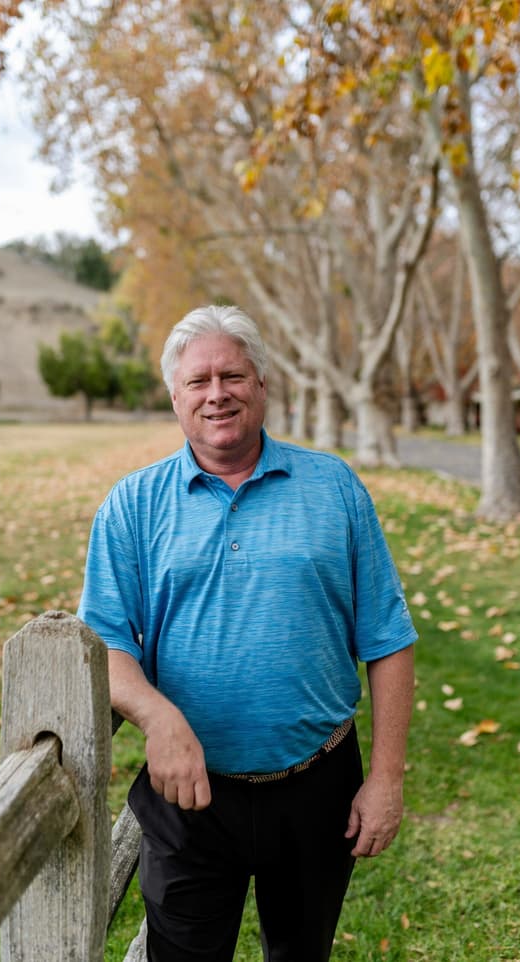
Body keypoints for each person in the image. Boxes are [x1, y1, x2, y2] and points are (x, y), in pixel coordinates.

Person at [77, 305, 417, 962]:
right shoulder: (132, 505)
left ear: (262, 384)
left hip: (319, 786)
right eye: (198, 381)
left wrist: (386, 779)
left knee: (301, 952)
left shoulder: (335, 488)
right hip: (189, 796)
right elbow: (107, 645)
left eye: (232, 375)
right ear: (175, 397)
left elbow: (388, 639)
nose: (216, 393)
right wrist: (157, 717)